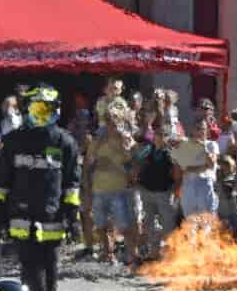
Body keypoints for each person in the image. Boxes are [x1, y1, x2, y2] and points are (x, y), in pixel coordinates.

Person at [0, 84, 80, 291]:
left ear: (56, 111)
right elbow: (0, 183)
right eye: (36, 108)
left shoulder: (65, 143)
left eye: (46, 109)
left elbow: (71, 185)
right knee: (30, 277)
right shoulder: (13, 141)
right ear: (27, 110)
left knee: (49, 280)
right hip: (21, 220)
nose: (41, 114)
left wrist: (72, 217)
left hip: (52, 222)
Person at [87, 106, 140, 265]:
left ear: (121, 120)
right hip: (98, 188)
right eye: (108, 119)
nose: (111, 122)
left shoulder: (126, 139)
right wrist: (87, 187)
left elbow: (135, 160)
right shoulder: (98, 140)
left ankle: (132, 256)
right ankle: (108, 254)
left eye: (115, 118)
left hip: (118, 189)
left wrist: (125, 151)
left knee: (124, 226)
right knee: (101, 224)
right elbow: (90, 162)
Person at [137, 124, 180, 258]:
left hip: (164, 192)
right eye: (158, 134)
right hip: (147, 191)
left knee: (168, 224)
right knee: (149, 223)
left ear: (168, 137)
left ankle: (170, 253)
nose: (160, 137)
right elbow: (137, 162)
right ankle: (154, 252)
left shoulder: (172, 152)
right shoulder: (147, 150)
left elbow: (177, 172)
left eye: (163, 135)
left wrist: (175, 190)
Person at [175, 117, 219, 223]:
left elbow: (212, 164)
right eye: (197, 129)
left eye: (203, 129)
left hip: (205, 186)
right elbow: (182, 169)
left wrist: (203, 147)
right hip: (188, 187)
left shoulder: (211, 145)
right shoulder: (185, 146)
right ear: (192, 130)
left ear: (207, 130)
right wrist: (202, 167)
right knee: (190, 225)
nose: (200, 131)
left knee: (206, 224)